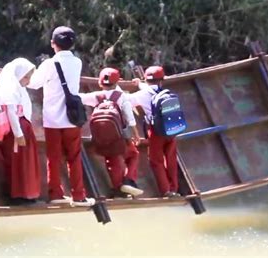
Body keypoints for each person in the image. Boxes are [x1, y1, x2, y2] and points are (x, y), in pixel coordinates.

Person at [28, 26, 94, 207]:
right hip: (72, 119)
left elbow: (33, 84)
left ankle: (56, 193)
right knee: (74, 156)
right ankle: (79, 195)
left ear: (52, 44)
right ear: (72, 44)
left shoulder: (49, 64)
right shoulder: (77, 63)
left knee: (54, 158)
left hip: (53, 120)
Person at [0, 58, 41, 206]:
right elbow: (12, 113)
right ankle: (19, 194)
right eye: (26, 76)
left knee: (26, 163)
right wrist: (18, 134)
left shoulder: (20, 89)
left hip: (24, 129)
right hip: (17, 132)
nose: (28, 80)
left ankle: (28, 193)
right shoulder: (10, 88)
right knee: (17, 163)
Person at [80, 67, 143, 198]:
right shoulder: (121, 97)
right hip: (119, 137)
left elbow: (79, 98)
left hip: (101, 138)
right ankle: (128, 180)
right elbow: (130, 118)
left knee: (112, 161)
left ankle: (117, 189)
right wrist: (135, 134)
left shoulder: (95, 96)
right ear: (117, 83)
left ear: (100, 83)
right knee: (133, 154)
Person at [128, 66, 181, 198]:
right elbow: (150, 88)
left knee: (156, 161)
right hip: (171, 128)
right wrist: (139, 84)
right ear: (162, 80)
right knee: (171, 159)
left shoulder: (141, 95)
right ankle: (174, 188)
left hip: (156, 131)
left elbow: (124, 101)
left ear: (146, 79)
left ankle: (166, 191)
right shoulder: (165, 92)